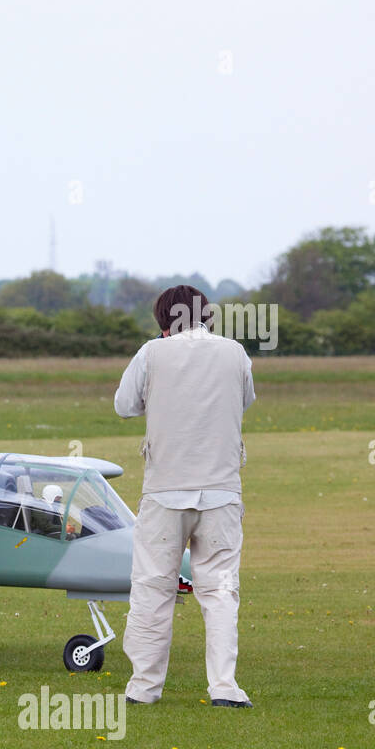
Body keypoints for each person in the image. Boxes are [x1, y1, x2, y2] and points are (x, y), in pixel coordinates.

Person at [114, 284, 256, 708]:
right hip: (221, 492)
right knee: (220, 592)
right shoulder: (235, 353)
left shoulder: (151, 353)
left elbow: (124, 405)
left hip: (163, 493)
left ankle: (143, 688)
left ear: (163, 319)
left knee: (152, 590)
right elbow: (245, 400)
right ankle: (225, 689)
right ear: (206, 314)